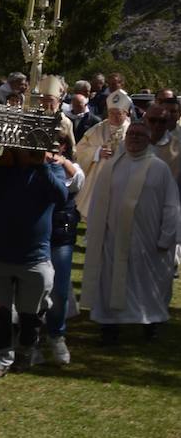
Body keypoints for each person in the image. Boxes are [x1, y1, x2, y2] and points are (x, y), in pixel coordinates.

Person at [0, 147, 68, 379]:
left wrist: (41, 165)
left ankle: (26, 351)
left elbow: (60, 197)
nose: (25, 148)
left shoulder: (51, 169)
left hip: (35, 259)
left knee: (31, 315)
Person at [80, 120, 181, 344]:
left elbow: (171, 205)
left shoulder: (159, 167)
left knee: (146, 284)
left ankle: (150, 324)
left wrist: (167, 236)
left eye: (140, 135)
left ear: (148, 140)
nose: (134, 138)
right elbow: (98, 200)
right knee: (110, 282)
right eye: (131, 134)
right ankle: (110, 327)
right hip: (113, 238)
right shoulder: (112, 165)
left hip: (148, 240)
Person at [42, 131, 85, 365]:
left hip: (61, 235)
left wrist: (63, 162)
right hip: (35, 236)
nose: (53, 148)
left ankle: (56, 335)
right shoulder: (34, 166)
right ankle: (30, 336)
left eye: (58, 144)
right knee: (33, 288)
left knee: (59, 290)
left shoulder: (71, 168)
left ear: (65, 147)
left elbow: (77, 182)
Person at [75, 90, 133, 220]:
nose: (115, 117)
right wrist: (96, 152)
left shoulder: (132, 131)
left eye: (119, 114)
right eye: (112, 113)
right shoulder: (98, 128)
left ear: (126, 113)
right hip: (98, 178)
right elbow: (80, 149)